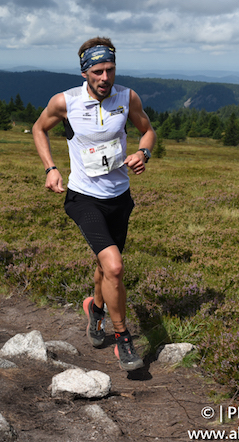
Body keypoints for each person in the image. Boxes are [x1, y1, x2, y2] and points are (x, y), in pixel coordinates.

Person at [32, 37, 156, 371]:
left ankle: (95, 309)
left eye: (110, 70)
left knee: (105, 267)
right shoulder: (65, 102)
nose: (105, 78)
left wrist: (143, 152)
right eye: (98, 71)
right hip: (83, 197)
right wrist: (51, 168)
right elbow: (38, 128)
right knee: (115, 266)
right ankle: (123, 339)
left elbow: (147, 131)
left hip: (119, 197)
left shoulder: (127, 97)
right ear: (85, 72)